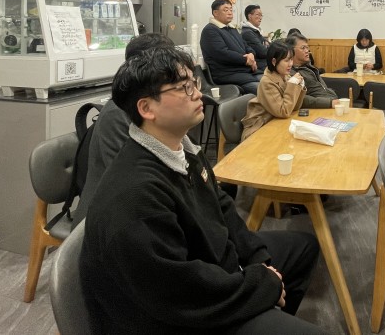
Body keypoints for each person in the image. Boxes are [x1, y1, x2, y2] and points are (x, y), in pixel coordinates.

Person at [80, 46, 321, 334]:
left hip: (212, 266)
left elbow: (222, 208)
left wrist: (259, 262)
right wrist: (261, 284)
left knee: (304, 247)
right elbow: (180, 291)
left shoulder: (183, 148)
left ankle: (268, 312)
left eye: (194, 82)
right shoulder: (136, 195)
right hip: (178, 315)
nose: (198, 93)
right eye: (184, 87)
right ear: (146, 108)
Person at [73, 32, 176, 228]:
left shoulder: (154, 106)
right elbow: (134, 183)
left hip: (143, 206)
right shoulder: (119, 114)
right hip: (109, 220)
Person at [241, 41, 306, 140]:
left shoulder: (285, 76)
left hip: (274, 123)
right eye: (286, 60)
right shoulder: (267, 82)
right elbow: (283, 112)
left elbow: (294, 107)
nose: (290, 64)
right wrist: (292, 85)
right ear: (274, 61)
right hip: (258, 128)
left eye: (291, 60)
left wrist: (299, 86)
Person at [201, 0, 262, 93]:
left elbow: (246, 45)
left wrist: (251, 54)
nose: (230, 13)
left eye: (231, 10)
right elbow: (222, 53)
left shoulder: (232, 28)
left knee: (275, 83)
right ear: (215, 13)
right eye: (226, 10)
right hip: (228, 75)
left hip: (245, 72)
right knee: (266, 90)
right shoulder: (210, 30)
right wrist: (246, 60)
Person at [287, 34, 340, 109]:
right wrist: (329, 103)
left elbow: (322, 89)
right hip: (318, 109)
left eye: (307, 47)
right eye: (303, 48)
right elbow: (300, 99)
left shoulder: (309, 67)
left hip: (331, 104)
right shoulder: (291, 73)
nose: (307, 51)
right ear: (291, 51)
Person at [241, 4, 270, 71]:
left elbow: (270, 46)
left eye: (261, 15)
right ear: (250, 16)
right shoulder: (247, 33)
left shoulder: (256, 31)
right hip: (259, 66)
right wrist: (266, 46)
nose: (260, 18)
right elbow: (263, 52)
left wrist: (266, 46)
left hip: (265, 63)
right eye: (258, 15)